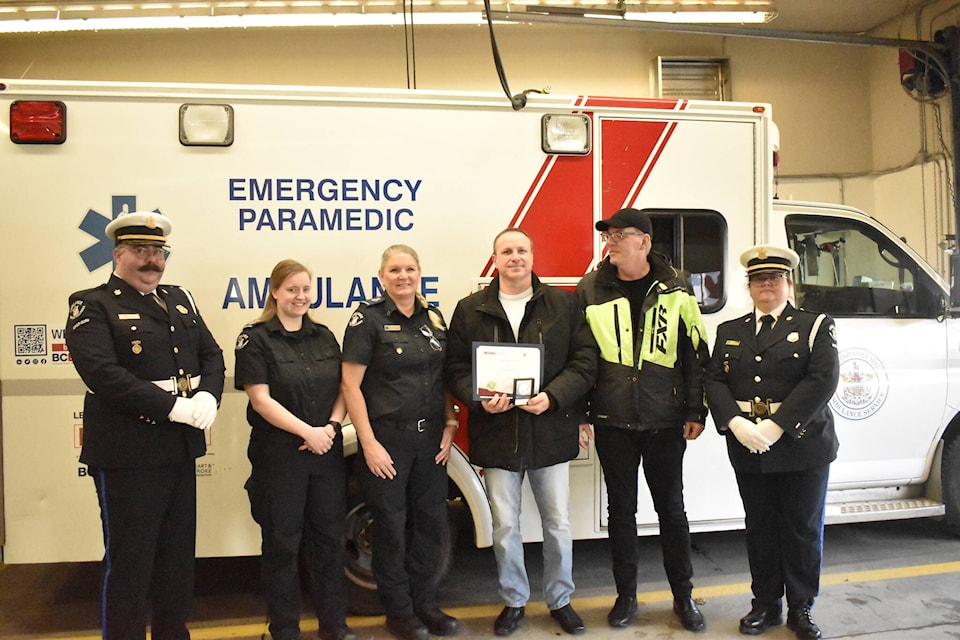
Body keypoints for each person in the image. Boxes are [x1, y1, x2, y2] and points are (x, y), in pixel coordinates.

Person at [65, 211, 225, 640]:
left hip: (178, 449)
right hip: (127, 453)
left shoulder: (179, 299)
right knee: (131, 562)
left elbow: (211, 354)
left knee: (176, 559)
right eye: (140, 251)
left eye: (158, 252)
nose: (152, 261)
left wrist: (209, 395)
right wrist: (173, 407)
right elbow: (102, 373)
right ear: (118, 254)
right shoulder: (92, 303)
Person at [446, 228, 598, 637]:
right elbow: (456, 368)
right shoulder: (470, 308)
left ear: (533, 256)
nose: (515, 257)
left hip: (550, 430)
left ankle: (560, 600)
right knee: (505, 526)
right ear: (494, 259)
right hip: (497, 433)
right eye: (506, 250)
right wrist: (478, 398)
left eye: (521, 250)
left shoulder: (563, 305)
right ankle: (513, 600)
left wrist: (553, 397)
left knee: (558, 524)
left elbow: (585, 362)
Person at [575, 207, 709, 633]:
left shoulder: (676, 286)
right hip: (613, 421)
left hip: (666, 420)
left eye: (619, 235)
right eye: (608, 236)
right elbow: (580, 356)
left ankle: (683, 596)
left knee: (672, 510)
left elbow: (694, 354)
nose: (610, 242)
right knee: (621, 512)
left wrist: (694, 409)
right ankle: (626, 596)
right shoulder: (591, 288)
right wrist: (581, 412)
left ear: (644, 242)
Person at [704, 245, 839, 640]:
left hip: (803, 443)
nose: (767, 284)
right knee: (760, 527)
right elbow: (714, 379)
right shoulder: (730, 331)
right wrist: (735, 423)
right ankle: (765, 604)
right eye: (759, 278)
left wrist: (777, 426)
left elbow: (822, 380)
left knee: (801, 528)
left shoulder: (816, 325)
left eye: (775, 278)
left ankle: (801, 607)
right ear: (749, 286)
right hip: (748, 443)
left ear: (788, 283)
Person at [340, 245, 460, 640]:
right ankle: (399, 612)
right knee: (390, 527)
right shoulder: (367, 320)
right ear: (382, 277)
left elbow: (441, 377)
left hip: (430, 442)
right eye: (395, 270)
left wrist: (449, 421)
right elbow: (351, 386)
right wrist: (368, 442)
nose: (403, 276)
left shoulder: (433, 318)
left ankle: (426, 604)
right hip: (387, 440)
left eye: (409, 269)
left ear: (419, 273)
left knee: (431, 523)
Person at [233, 259, 356, 640]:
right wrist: (310, 432)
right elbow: (260, 400)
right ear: (274, 292)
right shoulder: (255, 338)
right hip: (279, 457)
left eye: (306, 289)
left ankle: (334, 625)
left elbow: (344, 389)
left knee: (329, 541)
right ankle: (284, 628)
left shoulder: (324, 336)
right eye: (291, 290)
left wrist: (332, 428)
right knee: (282, 544)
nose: (300, 297)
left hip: (326, 454)